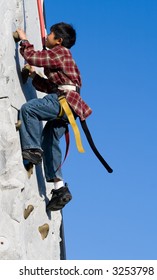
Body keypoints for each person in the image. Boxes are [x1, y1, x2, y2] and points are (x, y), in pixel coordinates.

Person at [16, 22, 92, 211]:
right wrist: (34, 77)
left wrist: (24, 40)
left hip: (63, 101)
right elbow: (50, 87)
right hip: (69, 106)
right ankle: (59, 188)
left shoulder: (60, 52)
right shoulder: (62, 57)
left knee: (29, 109)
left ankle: (32, 149)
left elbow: (32, 56)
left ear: (58, 40)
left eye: (50, 34)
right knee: (49, 140)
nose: (46, 36)